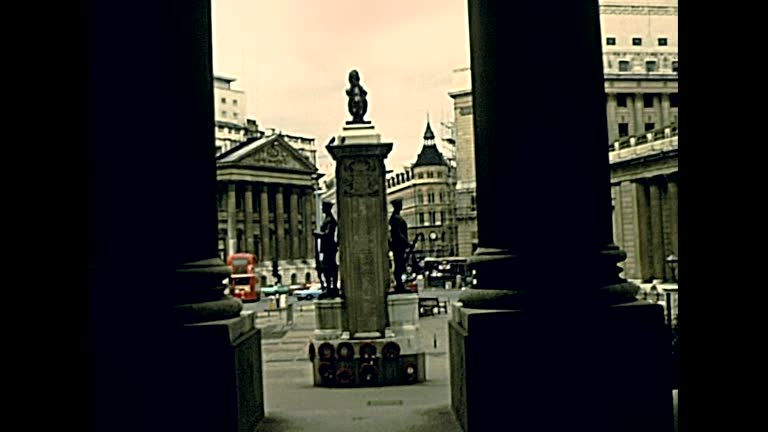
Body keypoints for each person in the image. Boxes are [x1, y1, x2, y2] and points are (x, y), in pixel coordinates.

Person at [316, 201, 339, 299]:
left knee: (330, 267)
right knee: (326, 268)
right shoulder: (327, 219)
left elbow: (328, 234)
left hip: (329, 247)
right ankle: (329, 287)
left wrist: (318, 234)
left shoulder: (330, 220)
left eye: (323, 207)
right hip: (326, 247)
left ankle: (332, 287)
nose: (322, 209)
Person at [388, 199, 409, 293]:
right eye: (400, 204)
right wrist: (406, 243)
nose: (401, 206)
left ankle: (399, 283)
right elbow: (398, 233)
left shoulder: (395, 217)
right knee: (399, 264)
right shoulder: (396, 218)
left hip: (399, 245)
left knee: (400, 264)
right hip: (398, 245)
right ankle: (399, 283)